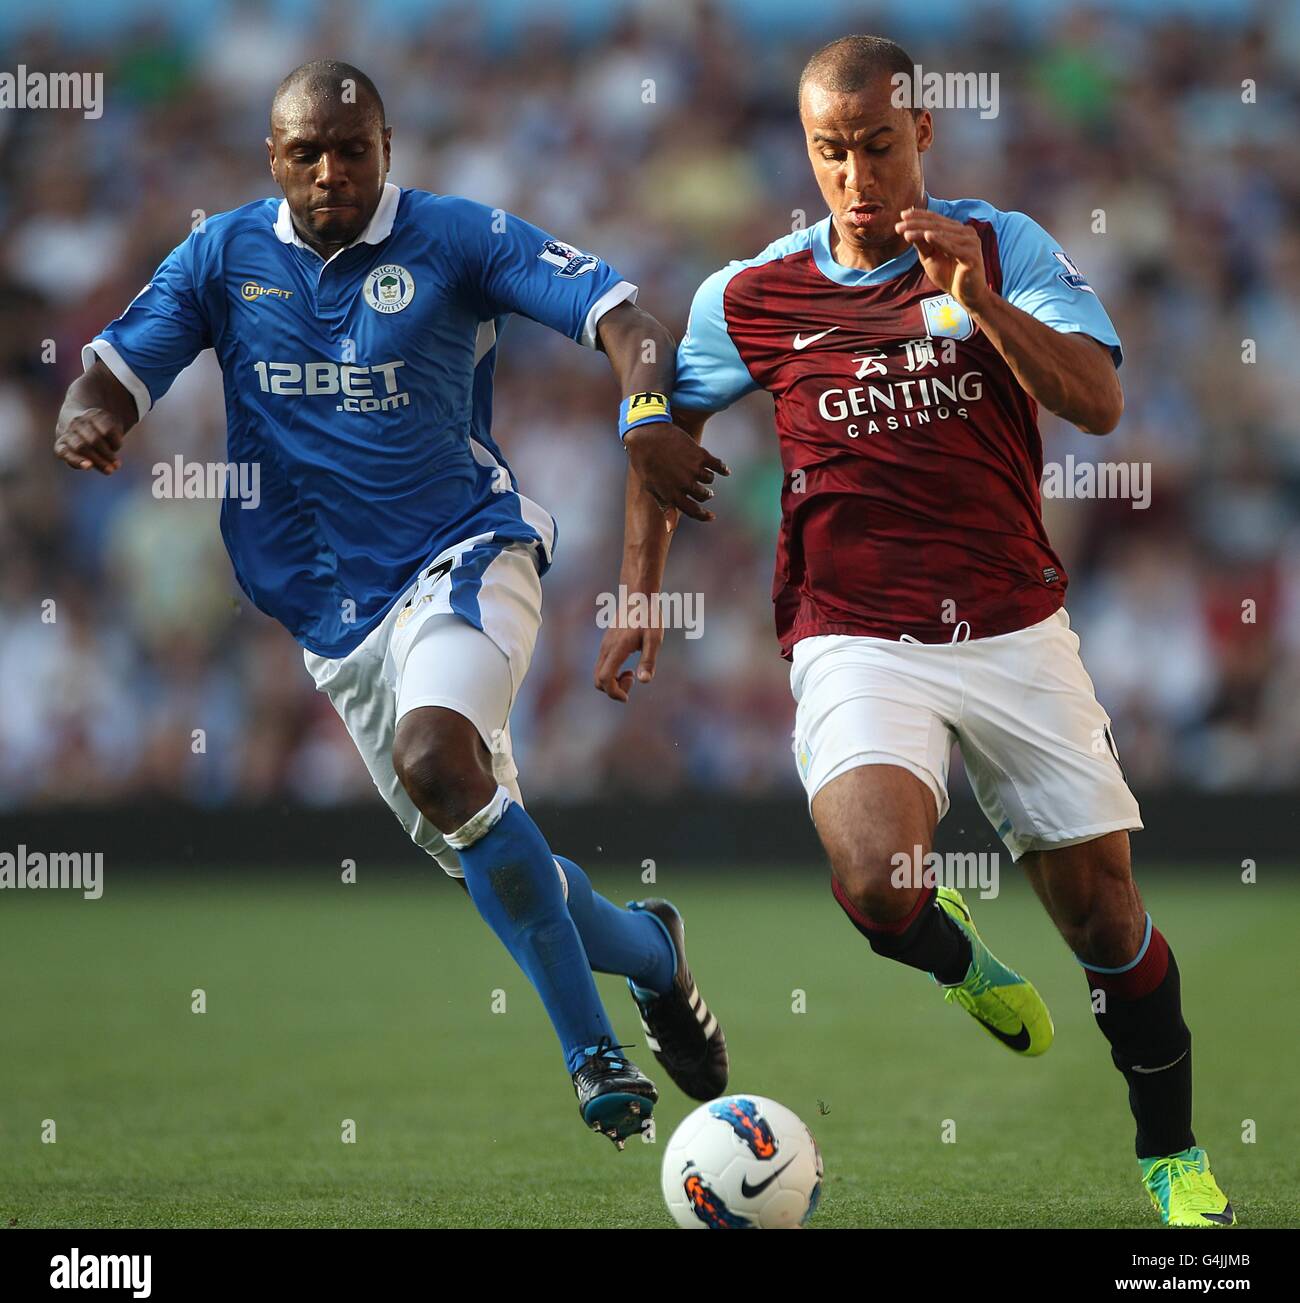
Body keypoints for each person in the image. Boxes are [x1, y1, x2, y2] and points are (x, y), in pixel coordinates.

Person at [595, 34, 1232, 1222]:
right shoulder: (751, 294)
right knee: (878, 880)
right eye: (831, 153)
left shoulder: (1001, 246)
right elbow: (658, 435)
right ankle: (954, 955)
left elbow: (1095, 401)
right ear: (807, 152)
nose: (856, 176)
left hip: (1010, 623)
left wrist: (978, 304)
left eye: (877, 146)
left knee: (1103, 916)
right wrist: (639, 592)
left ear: (922, 135)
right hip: (854, 632)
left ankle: (1173, 1158)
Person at [55, 59, 730, 1150]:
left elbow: (629, 319)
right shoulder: (223, 257)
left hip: (467, 552)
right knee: (490, 850)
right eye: (306, 153)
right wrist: (89, 417)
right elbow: (111, 371)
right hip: (333, 618)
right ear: (273, 159)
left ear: (387, 149)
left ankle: (589, 1052)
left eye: (353, 149)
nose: (331, 171)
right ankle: (656, 955)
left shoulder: (456, 237)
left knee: (436, 757)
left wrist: (646, 411)